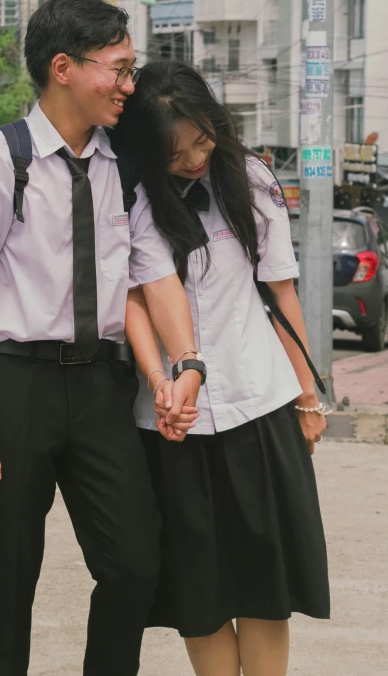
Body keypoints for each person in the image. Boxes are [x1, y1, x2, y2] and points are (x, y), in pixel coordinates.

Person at [0, 0, 205, 676]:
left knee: (135, 563)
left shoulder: (125, 170)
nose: (128, 85)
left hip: (98, 386)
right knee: (6, 579)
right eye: (117, 69)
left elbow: (153, 277)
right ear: (64, 67)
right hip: (14, 387)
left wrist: (186, 363)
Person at [118, 61, 330, 676]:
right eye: (175, 152)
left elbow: (282, 295)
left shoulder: (254, 180)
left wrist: (307, 399)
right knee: (199, 593)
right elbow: (141, 296)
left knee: (266, 588)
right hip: (172, 423)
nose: (193, 160)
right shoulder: (134, 199)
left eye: (203, 140)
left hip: (258, 405)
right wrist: (164, 380)